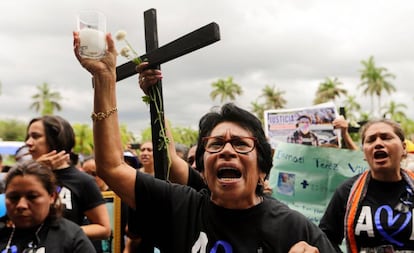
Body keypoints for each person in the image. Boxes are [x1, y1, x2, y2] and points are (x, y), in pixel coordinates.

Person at [73, 31, 336, 252]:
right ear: (202, 168)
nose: (227, 151)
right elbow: (112, 167)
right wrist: (104, 80)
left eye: (241, 144)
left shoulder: (294, 228)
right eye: (216, 144)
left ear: (263, 169)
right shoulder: (180, 207)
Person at [319, 119, 414, 252]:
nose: (378, 143)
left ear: (404, 148)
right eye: (371, 140)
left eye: (386, 138)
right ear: (364, 153)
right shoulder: (347, 191)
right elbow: (325, 238)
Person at [25, 115, 111, 241]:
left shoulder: (82, 181)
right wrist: (36, 169)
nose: (28, 142)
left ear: (56, 140)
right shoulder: (27, 175)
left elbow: (104, 228)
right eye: (28, 137)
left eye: (36, 136)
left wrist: (60, 233)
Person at [0, 160, 95, 252]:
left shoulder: (71, 238)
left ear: (52, 197)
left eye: (32, 197)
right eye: (13, 197)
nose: (21, 205)